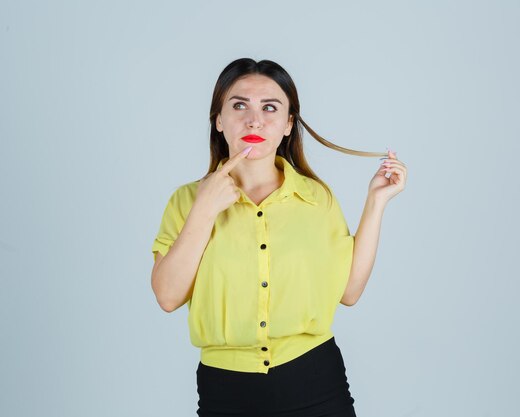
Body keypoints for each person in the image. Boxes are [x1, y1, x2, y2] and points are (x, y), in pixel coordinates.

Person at [150, 58, 407, 417]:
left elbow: (349, 292)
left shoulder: (316, 198)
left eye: (270, 107)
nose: (254, 120)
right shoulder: (186, 201)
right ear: (219, 120)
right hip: (225, 391)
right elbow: (167, 295)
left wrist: (376, 203)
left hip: (315, 381)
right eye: (239, 105)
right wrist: (205, 209)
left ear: (288, 124)